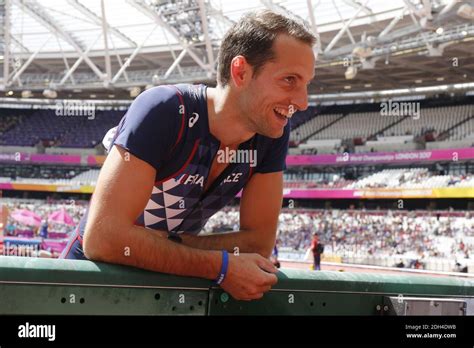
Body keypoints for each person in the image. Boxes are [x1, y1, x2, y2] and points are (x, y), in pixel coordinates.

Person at [61, 10, 316, 301]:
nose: (303, 102)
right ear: (241, 72)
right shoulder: (165, 110)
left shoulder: (272, 134)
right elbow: (104, 239)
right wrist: (220, 265)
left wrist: (170, 244)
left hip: (166, 294)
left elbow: (257, 243)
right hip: (85, 287)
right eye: (289, 80)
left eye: (307, 83)